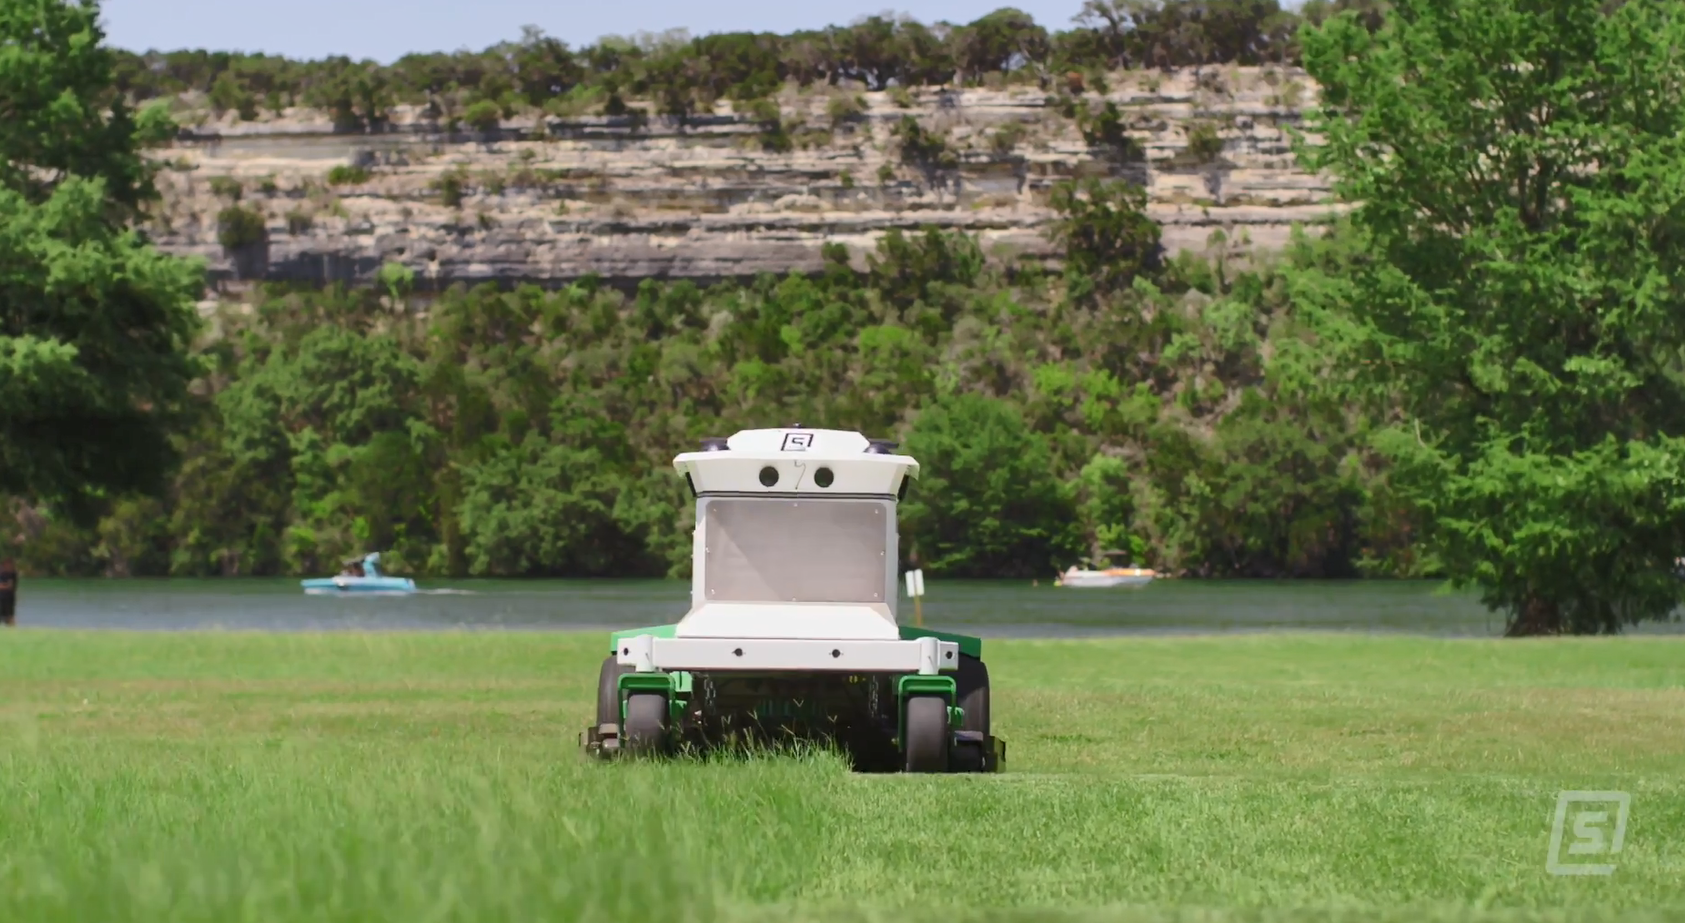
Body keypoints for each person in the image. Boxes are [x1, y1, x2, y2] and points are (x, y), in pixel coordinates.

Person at [0, 558, 16, 626]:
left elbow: (10, 586)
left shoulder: (12, 574)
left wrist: (3, 586)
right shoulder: (3, 574)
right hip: (3, 598)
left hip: (8, 598)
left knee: (9, 616)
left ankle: (12, 630)